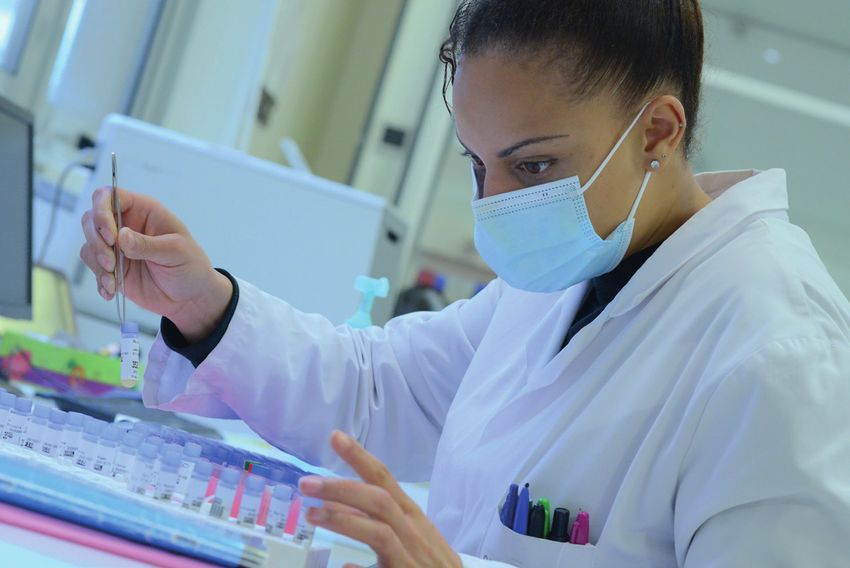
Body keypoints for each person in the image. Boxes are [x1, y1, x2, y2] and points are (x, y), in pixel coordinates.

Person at [79, 1, 850, 566]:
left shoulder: (778, 351)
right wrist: (205, 306)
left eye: (534, 165)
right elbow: (379, 389)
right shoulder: (568, 275)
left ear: (658, 131)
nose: (496, 203)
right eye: (478, 165)